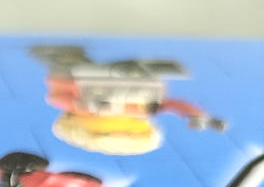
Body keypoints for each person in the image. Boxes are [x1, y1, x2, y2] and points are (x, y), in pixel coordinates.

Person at [30, 45, 226, 155]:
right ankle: (70, 65)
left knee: (63, 88)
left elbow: (62, 99)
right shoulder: (144, 109)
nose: (121, 128)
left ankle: (66, 63)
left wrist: (79, 100)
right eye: (129, 131)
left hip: (88, 89)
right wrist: (198, 116)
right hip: (129, 86)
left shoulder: (78, 107)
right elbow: (174, 105)